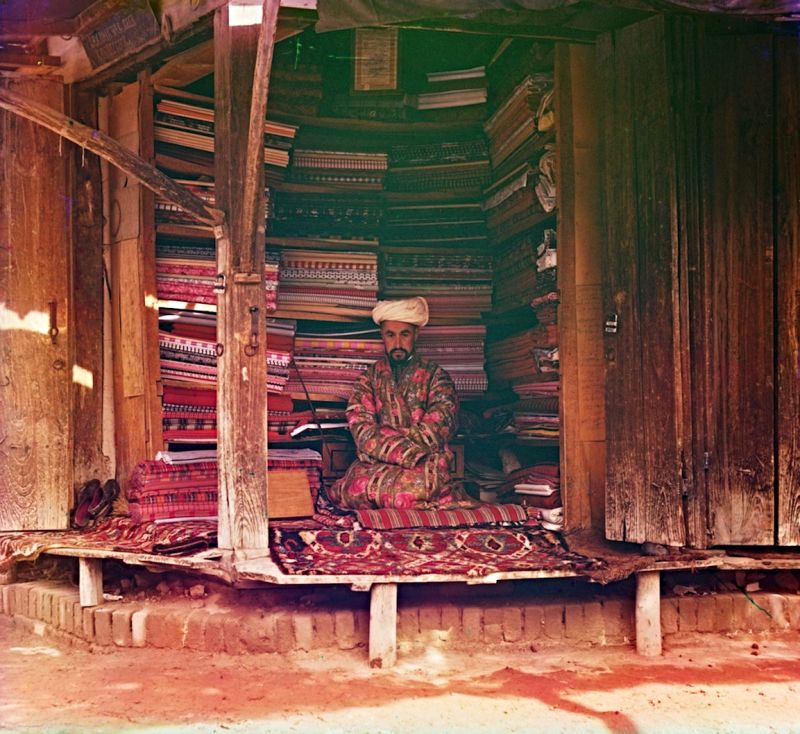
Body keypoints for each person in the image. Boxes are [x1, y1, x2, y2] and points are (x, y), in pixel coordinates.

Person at [328, 296, 473, 510]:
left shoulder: (437, 377)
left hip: (423, 461)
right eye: (390, 335)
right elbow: (361, 427)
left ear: (416, 334)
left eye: (404, 334)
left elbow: (440, 423)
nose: (397, 343)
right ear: (382, 336)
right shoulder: (369, 378)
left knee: (409, 493)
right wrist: (396, 449)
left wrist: (396, 445)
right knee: (354, 489)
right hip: (376, 463)